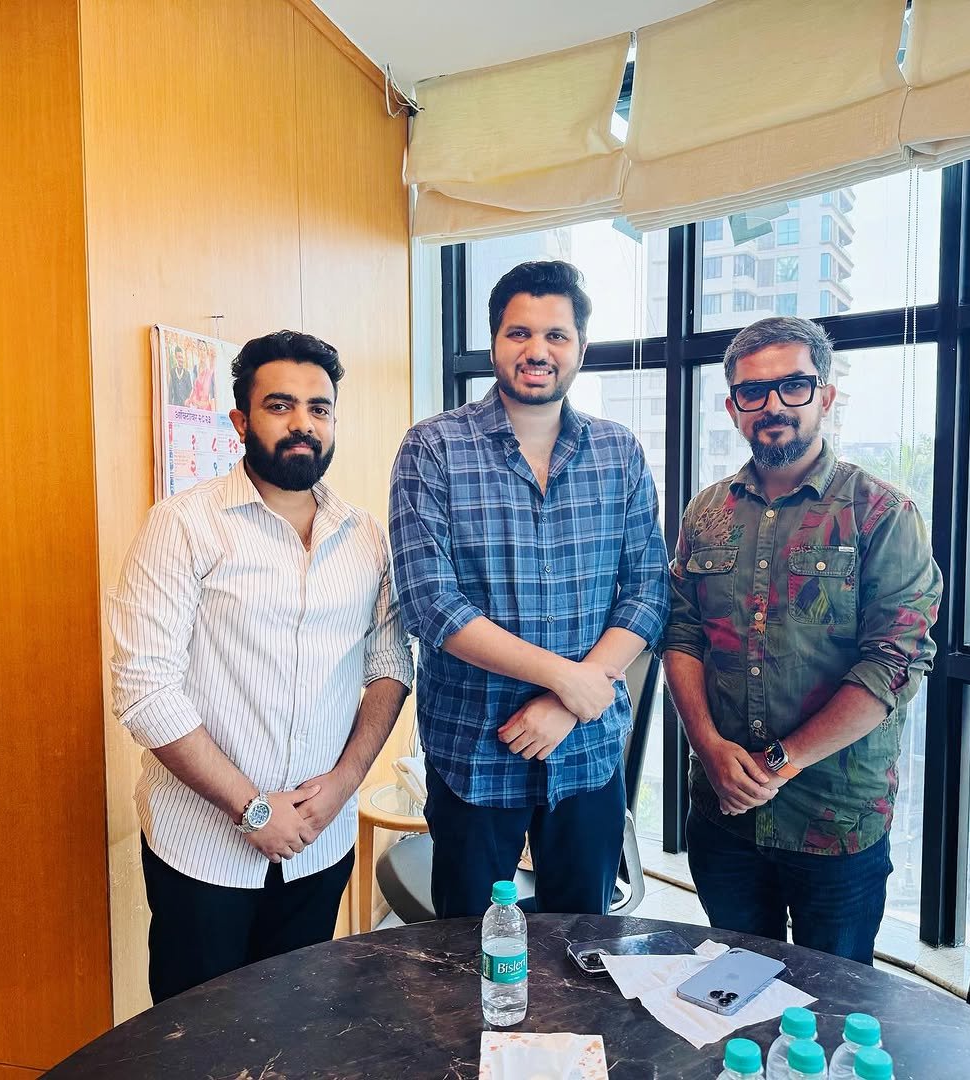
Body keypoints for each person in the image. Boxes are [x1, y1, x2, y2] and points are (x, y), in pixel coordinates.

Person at [110, 329, 413, 1002]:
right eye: (281, 406)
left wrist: (341, 785)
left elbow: (390, 665)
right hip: (203, 851)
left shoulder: (364, 536)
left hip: (319, 842)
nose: (303, 423)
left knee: (297, 1028)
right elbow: (143, 690)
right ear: (241, 421)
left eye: (319, 407)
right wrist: (251, 811)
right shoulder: (182, 526)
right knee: (198, 1041)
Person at [390, 260, 669, 918]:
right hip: (474, 751)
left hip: (587, 749)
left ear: (579, 348)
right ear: (494, 342)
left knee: (585, 946)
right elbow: (430, 602)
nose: (537, 351)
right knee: (469, 951)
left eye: (556, 335)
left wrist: (572, 700)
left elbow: (650, 588)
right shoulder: (433, 448)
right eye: (519, 333)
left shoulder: (617, 452)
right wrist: (566, 679)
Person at [662, 316, 941, 965]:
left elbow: (894, 666)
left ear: (825, 395)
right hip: (721, 814)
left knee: (831, 1010)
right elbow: (681, 633)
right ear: (733, 407)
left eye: (794, 386)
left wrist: (779, 763)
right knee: (732, 991)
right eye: (753, 392)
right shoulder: (705, 513)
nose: (774, 406)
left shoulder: (882, 513)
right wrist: (707, 748)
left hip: (834, 823)